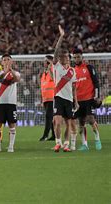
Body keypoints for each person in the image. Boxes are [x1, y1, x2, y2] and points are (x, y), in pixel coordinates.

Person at [51, 25, 78, 153]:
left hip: (69, 99)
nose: (64, 58)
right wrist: (61, 37)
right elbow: (56, 50)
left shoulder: (72, 71)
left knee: (68, 123)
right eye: (62, 57)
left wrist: (76, 101)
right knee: (57, 121)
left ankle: (66, 145)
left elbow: (73, 87)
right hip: (58, 97)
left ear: (69, 58)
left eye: (66, 57)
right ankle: (58, 143)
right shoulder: (56, 66)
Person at [0, 54, 21, 153]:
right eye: (4, 60)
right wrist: (6, 72)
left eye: (8, 60)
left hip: (11, 103)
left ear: (11, 61)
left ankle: (11, 147)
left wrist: (10, 71)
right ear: (1, 62)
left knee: (12, 124)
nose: (6, 61)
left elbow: (16, 79)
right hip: (0, 103)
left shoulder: (16, 73)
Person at [71, 49, 102, 151]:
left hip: (89, 98)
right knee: (81, 123)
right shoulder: (72, 70)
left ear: (82, 57)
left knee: (90, 119)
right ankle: (85, 144)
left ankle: (97, 139)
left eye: (78, 57)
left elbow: (96, 82)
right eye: (75, 57)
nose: (76, 59)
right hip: (78, 100)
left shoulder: (89, 67)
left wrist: (97, 96)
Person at [39, 55, 55, 141]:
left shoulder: (52, 71)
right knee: (50, 117)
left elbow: (54, 79)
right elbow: (42, 86)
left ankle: (45, 135)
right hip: (46, 98)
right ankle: (54, 135)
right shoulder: (44, 73)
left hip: (52, 97)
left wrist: (51, 65)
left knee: (48, 116)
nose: (44, 62)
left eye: (46, 61)